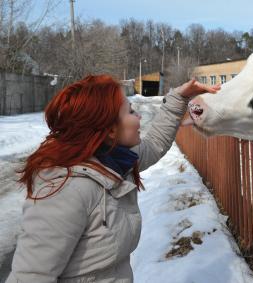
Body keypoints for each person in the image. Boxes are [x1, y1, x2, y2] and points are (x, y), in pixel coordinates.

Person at [6, 74, 220, 283]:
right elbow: (31, 275)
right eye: (130, 111)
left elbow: (154, 144)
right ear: (109, 129)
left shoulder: (112, 162)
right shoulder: (66, 190)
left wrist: (179, 98)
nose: (139, 117)